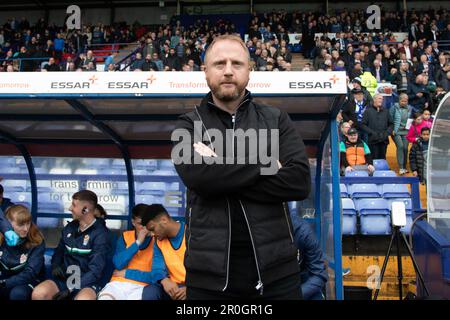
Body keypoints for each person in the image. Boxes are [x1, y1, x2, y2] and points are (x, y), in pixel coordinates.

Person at [171, 34, 311, 299]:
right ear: (205, 71)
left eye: (236, 63)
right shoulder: (188, 124)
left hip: (277, 274)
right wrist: (266, 161)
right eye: (219, 63)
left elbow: (299, 181)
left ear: (249, 70)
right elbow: (199, 177)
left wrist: (219, 169)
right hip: (208, 279)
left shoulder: (276, 119)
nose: (227, 71)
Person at [31, 190, 110, 300]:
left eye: (74, 205)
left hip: (86, 283)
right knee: (39, 294)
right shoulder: (70, 227)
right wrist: (55, 265)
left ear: (85, 209)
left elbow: (95, 271)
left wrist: (70, 289)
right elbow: (58, 252)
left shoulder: (100, 233)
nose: (70, 208)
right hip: (65, 279)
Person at [97, 204, 166, 300]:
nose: (144, 228)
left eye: (147, 223)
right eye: (140, 223)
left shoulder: (158, 239)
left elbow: (156, 276)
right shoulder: (125, 236)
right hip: (118, 283)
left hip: (143, 286)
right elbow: (118, 264)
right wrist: (137, 243)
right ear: (133, 222)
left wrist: (127, 273)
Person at [141, 204, 186, 300]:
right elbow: (157, 268)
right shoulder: (158, 241)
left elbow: (205, 268)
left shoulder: (191, 234)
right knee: (150, 291)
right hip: (172, 287)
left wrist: (191, 289)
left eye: (153, 229)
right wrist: (164, 280)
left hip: (192, 288)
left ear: (164, 220)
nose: (152, 234)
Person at [0, 205, 45, 300]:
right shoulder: (2, 238)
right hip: (4, 279)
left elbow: (30, 273)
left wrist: (4, 282)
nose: (26, 229)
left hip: (27, 282)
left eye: (28, 223)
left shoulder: (36, 241)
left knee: (17, 293)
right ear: (8, 224)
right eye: (21, 225)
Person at [290, 212, 327, 300]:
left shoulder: (304, 233)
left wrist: (296, 296)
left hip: (302, 279)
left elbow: (319, 275)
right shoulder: (263, 234)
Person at [361, 94, 394, 160]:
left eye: (382, 99)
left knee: (383, 159)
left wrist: (386, 133)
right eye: (379, 98)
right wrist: (372, 133)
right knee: (374, 159)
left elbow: (391, 124)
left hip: (384, 140)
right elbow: (363, 125)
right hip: (373, 140)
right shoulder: (368, 111)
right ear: (374, 100)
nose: (381, 100)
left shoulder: (386, 111)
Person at [390, 93, 413, 175]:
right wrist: (392, 129)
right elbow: (390, 119)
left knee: (406, 148)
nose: (404, 103)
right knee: (400, 146)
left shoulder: (409, 108)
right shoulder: (394, 108)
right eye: (402, 101)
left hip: (406, 131)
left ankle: (404, 166)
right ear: (399, 100)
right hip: (396, 131)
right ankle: (401, 167)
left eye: (406, 101)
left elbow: (411, 119)